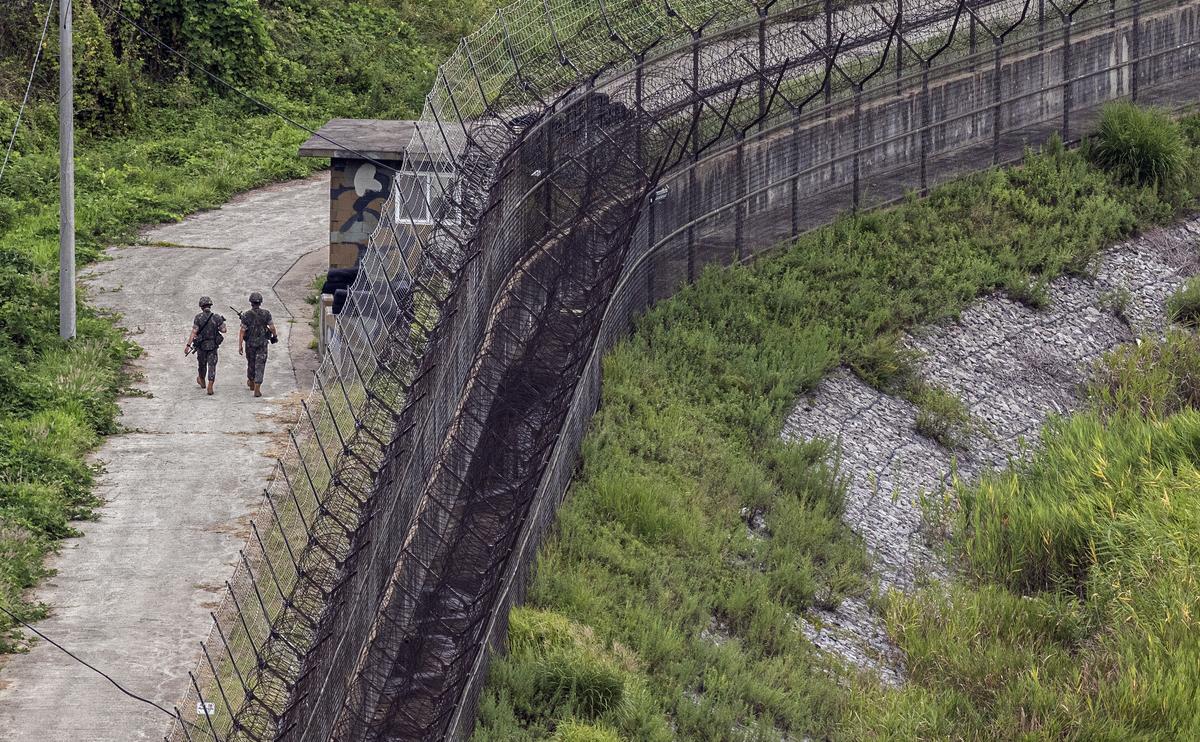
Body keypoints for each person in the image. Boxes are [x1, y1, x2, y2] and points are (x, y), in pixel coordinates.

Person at [238, 291, 277, 398]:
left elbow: (242, 331)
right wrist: (275, 336)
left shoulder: (246, 315)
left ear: (251, 302)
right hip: (262, 344)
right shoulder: (266, 313)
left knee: (251, 363)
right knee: (260, 365)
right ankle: (257, 387)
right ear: (261, 302)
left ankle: (251, 381)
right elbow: (272, 327)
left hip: (250, 344)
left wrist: (240, 345)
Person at [185, 296, 226, 395]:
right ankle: (210, 385)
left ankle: (202, 381)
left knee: (202, 364)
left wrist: (188, 345)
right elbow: (224, 330)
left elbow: (194, 332)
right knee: (212, 365)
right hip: (213, 346)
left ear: (201, 306)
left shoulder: (198, 317)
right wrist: (222, 322)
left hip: (201, 346)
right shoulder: (216, 317)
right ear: (210, 305)